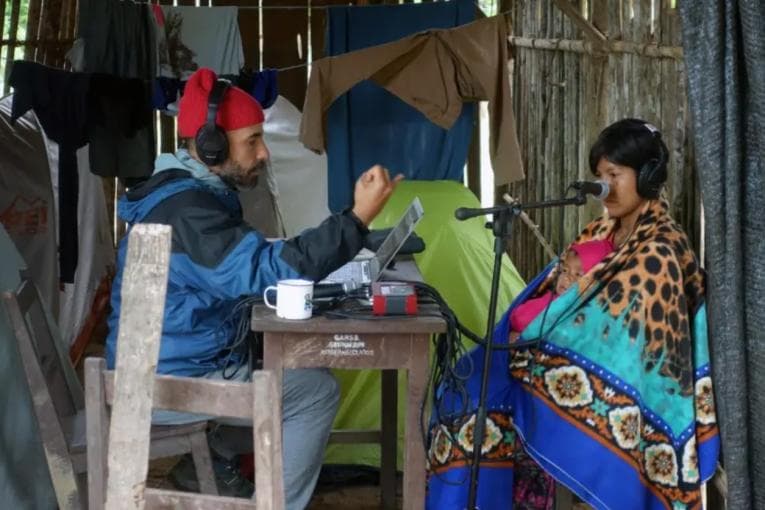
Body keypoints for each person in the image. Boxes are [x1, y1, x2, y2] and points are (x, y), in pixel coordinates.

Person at [105, 68, 402, 509]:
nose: (263, 153)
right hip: (162, 381)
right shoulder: (190, 213)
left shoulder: (187, 194)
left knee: (277, 365)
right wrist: (355, 222)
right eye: (252, 141)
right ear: (212, 146)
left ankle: (207, 461)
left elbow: (241, 262)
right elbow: (266, 272)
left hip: (172, 361)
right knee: (314, 389)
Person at [427, 118, 719, 510]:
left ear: (647, 177)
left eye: (615, 174)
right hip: (552, 364)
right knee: (460, 394)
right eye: (600, 175)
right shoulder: (601, 229)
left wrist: (534, 354)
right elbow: (557, 299)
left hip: (618, 396)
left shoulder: (661, 252)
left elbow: (623, 346)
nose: (605, 187)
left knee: (480, 414)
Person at [508, 239, 614, 344]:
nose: (567, 277)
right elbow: (518, 317)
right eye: (565, 270)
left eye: (578, 274)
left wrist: (521, 336)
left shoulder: (586, 314)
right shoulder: (553, 299)